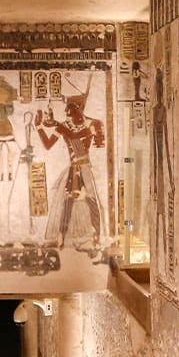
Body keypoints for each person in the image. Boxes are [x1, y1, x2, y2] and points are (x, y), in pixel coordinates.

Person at [37, 92, 105, 247]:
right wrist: (39, 127)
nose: (66, 113)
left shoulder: (92, 124)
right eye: (66, 110)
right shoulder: (65, 126)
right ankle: (62, 235)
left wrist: (59, 126)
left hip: (85, 168)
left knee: (91, 201)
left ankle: (97, 236)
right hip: (73, 167)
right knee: (68, 202)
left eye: (70, 110)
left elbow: (79, 138)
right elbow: (47, 144)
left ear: (78, 109)